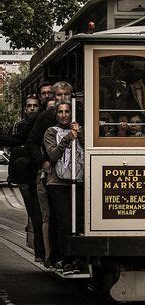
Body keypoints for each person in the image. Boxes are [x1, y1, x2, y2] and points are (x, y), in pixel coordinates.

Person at [27, 81, 73, 262]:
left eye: (66, 95)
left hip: (77, 176)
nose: (63, 98)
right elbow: (31, 142)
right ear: (54, 98)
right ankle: (54, 256)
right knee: (55, 216)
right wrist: (43, 161)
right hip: (54, 175)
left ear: (71, 95)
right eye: (59, 95)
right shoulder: (46, 118)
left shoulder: (81, 114)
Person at [0, 94, 44, 261]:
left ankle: (42, 251)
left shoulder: (38, 123)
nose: (32, 108)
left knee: (39, 213)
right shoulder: (20, 125)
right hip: (25, 178)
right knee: (33, 213)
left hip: (37, 174)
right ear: (25, 108)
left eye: (35, 105)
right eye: (29, 106)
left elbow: (17, 142)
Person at [43, 101, 84, 274]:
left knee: (79, 221)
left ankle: (76, 259)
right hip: (57, 183)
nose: (64, 115)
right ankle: (61, 258)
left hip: (78, 180)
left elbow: (87, 150)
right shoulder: (51, 132)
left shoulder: (80, 131)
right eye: (60, 112)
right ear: (56, 114)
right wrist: (68, 138)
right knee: (65, 221)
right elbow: (53, 155)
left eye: (67, 111)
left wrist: (80, 134)